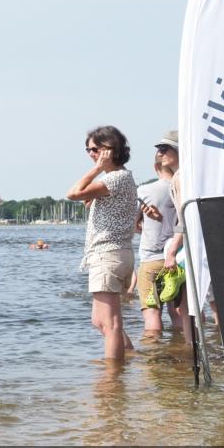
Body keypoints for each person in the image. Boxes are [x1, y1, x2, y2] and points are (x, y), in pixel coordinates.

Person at [66, 126, 136, 361]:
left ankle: (112, 378)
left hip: (109, 253)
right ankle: (129, 357)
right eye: (88, 150)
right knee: (99, 322)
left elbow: (73, 193)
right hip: (111, 253)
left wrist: (96, 169)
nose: (91, 154)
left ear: (110, 149)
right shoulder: (116, 179)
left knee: (111, 323)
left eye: (95, 149)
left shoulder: (116, 177)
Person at [135, 131, 180, 336]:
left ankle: (153, 361)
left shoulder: (144, 191)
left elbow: (132, 224)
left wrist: (142, 224)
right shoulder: (181, 185)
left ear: (155, 167)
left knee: (152, 314)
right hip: (178, 259)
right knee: (178, 312)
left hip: (152, 259)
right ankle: (183, 350)